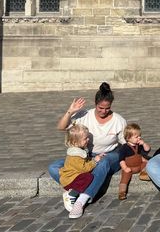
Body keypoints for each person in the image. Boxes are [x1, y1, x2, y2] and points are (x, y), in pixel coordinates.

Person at [48, 82, 127, 212]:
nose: (103, 111)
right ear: (95, 104)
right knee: (53, 167)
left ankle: (81, 199)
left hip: (108, 155)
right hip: (85, 156)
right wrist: (70, 111)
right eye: (100, 108)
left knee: (103, 162)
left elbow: (126, 143)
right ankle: (76, 189)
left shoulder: (119, 121)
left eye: (107, 108)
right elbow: (61, 127)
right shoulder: (84, 115)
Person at [59, 124, 104, 219]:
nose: (88, 140)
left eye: (87, 137)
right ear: (75, 142)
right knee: (88, 177)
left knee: (87, 176)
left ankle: (73, 192)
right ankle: (71, 194)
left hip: (71, 177)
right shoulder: (76, 155)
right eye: (85, 139)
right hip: (70, 180)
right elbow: (84, 168)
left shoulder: (78, 151)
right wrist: (95, 161)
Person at [118, 123, 151, 200]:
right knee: (125, 178)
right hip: (130, 168)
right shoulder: (124, 148)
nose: (139, 138)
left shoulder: (139, 145)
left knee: (147, 163)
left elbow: (147, 149)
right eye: (136, 137)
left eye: (140, 136)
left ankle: (144, 173)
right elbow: (121, 160)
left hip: (139, 165)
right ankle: (122, 192)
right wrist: (125, 167)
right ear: (128, 138)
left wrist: (144, 144)